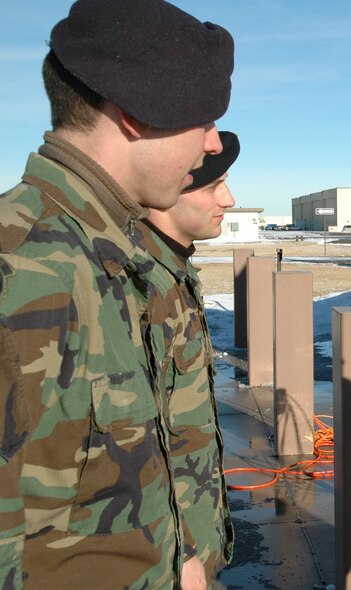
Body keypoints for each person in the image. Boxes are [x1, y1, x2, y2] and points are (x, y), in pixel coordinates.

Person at [0, 1, 234, 588]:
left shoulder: (107, 256)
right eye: (202, 119)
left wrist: (180, 554)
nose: (212, 144)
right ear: (134, 114)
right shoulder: (23, 268)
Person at [133, 131, 240, 584]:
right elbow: (129, 443)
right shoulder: (138, 281)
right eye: (214, 187)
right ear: (169, 188)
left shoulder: (172, 270)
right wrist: (180, 551)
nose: (230, 200)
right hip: (167, 557)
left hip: (190, 537)